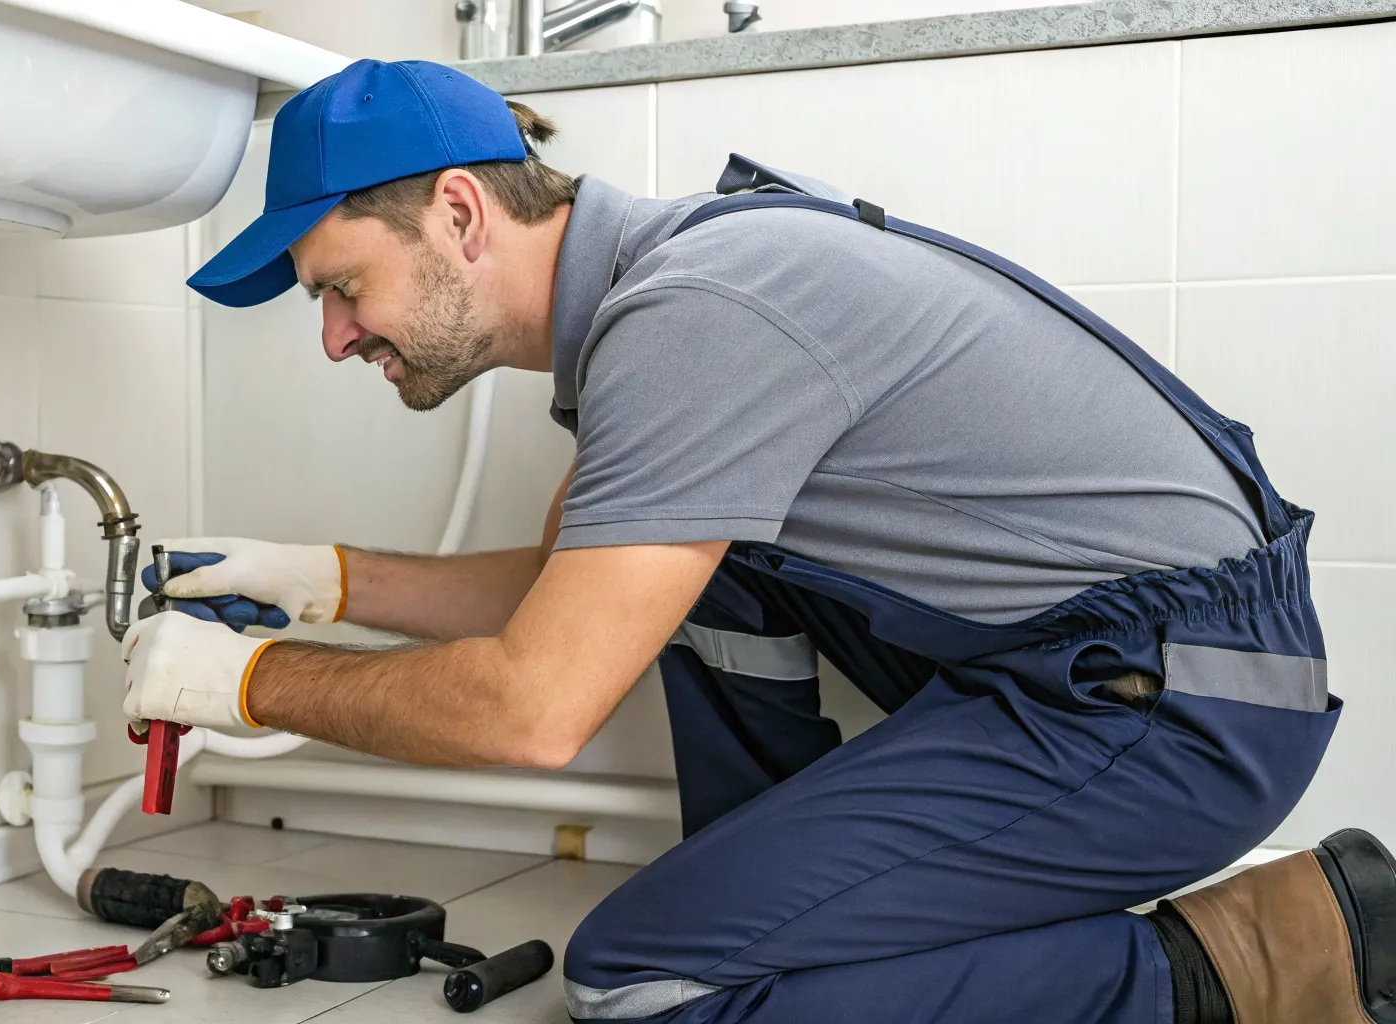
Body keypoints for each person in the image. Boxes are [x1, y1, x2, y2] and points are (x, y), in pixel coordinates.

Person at [120, 58, 1393, 1024]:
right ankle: (777, 906)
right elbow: (573, 601)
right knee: (691, 580)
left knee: (647, 987)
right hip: (1113, 678)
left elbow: (531, 704)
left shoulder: (692, 317)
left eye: (338, 287)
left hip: (1171, 709)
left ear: (459, 215)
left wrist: (244, 683)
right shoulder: (669, 293)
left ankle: (1251, 960)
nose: (335, 337)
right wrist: (326, 580)